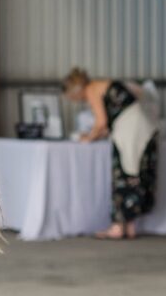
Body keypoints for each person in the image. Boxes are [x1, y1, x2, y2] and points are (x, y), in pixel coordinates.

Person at [62, 68, 159, 239]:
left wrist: (88, 138)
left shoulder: (92, 89)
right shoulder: (104, 84)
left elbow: (101, 123)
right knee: (136, 174)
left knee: (123, 175)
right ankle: (129, 226)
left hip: (130, 132)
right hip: (144, 129)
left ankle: (117, 227)